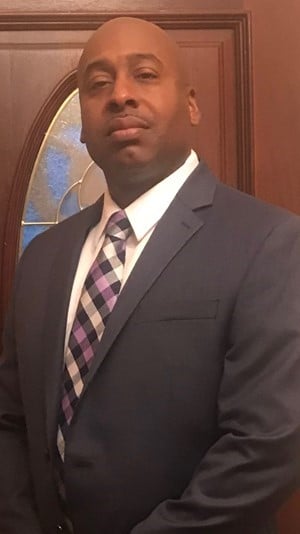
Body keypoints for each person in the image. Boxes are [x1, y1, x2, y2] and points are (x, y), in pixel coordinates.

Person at [1, 16, 300, 534]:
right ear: (84, 119)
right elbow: (11, 421)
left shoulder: (270, 243)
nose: (120, 95)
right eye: (98, 84)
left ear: (190, 103)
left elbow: (267, 445)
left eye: (144, 74)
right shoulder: (44, 258)